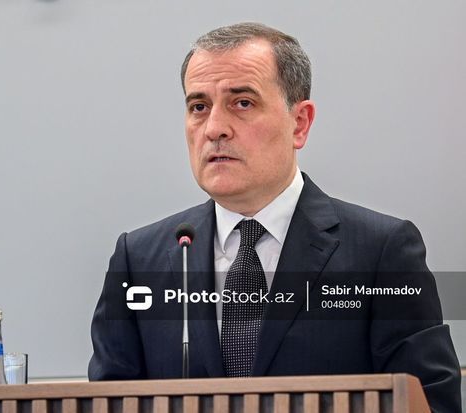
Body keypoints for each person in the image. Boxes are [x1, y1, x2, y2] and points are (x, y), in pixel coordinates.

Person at [88, 22, 461, 412]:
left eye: (242, 103)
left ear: (300, 123)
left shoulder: (381, 251)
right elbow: (108, 402)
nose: (214, 128)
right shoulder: (138, 259)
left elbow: (434, 403)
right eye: (199, 107)